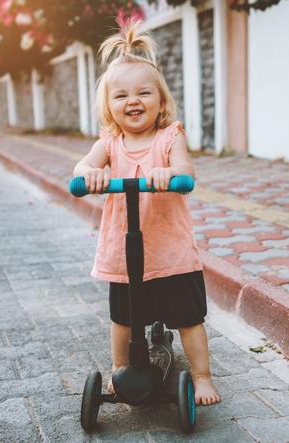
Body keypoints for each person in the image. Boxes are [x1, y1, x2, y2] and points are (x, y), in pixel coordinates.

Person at [71, 18, 220, 406]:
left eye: (143, 93)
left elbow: (186, 173)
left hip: (170, 251)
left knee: (189, 317)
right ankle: (121, 371)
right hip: (125, 252)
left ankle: (202, 377)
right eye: (120, 96)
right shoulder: (110, 142)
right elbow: (81, 168)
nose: (132, 101)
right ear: (109, 107)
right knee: (122, 319)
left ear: (161, 101)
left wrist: (169, 172)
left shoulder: (170, 137)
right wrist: (91, 174)